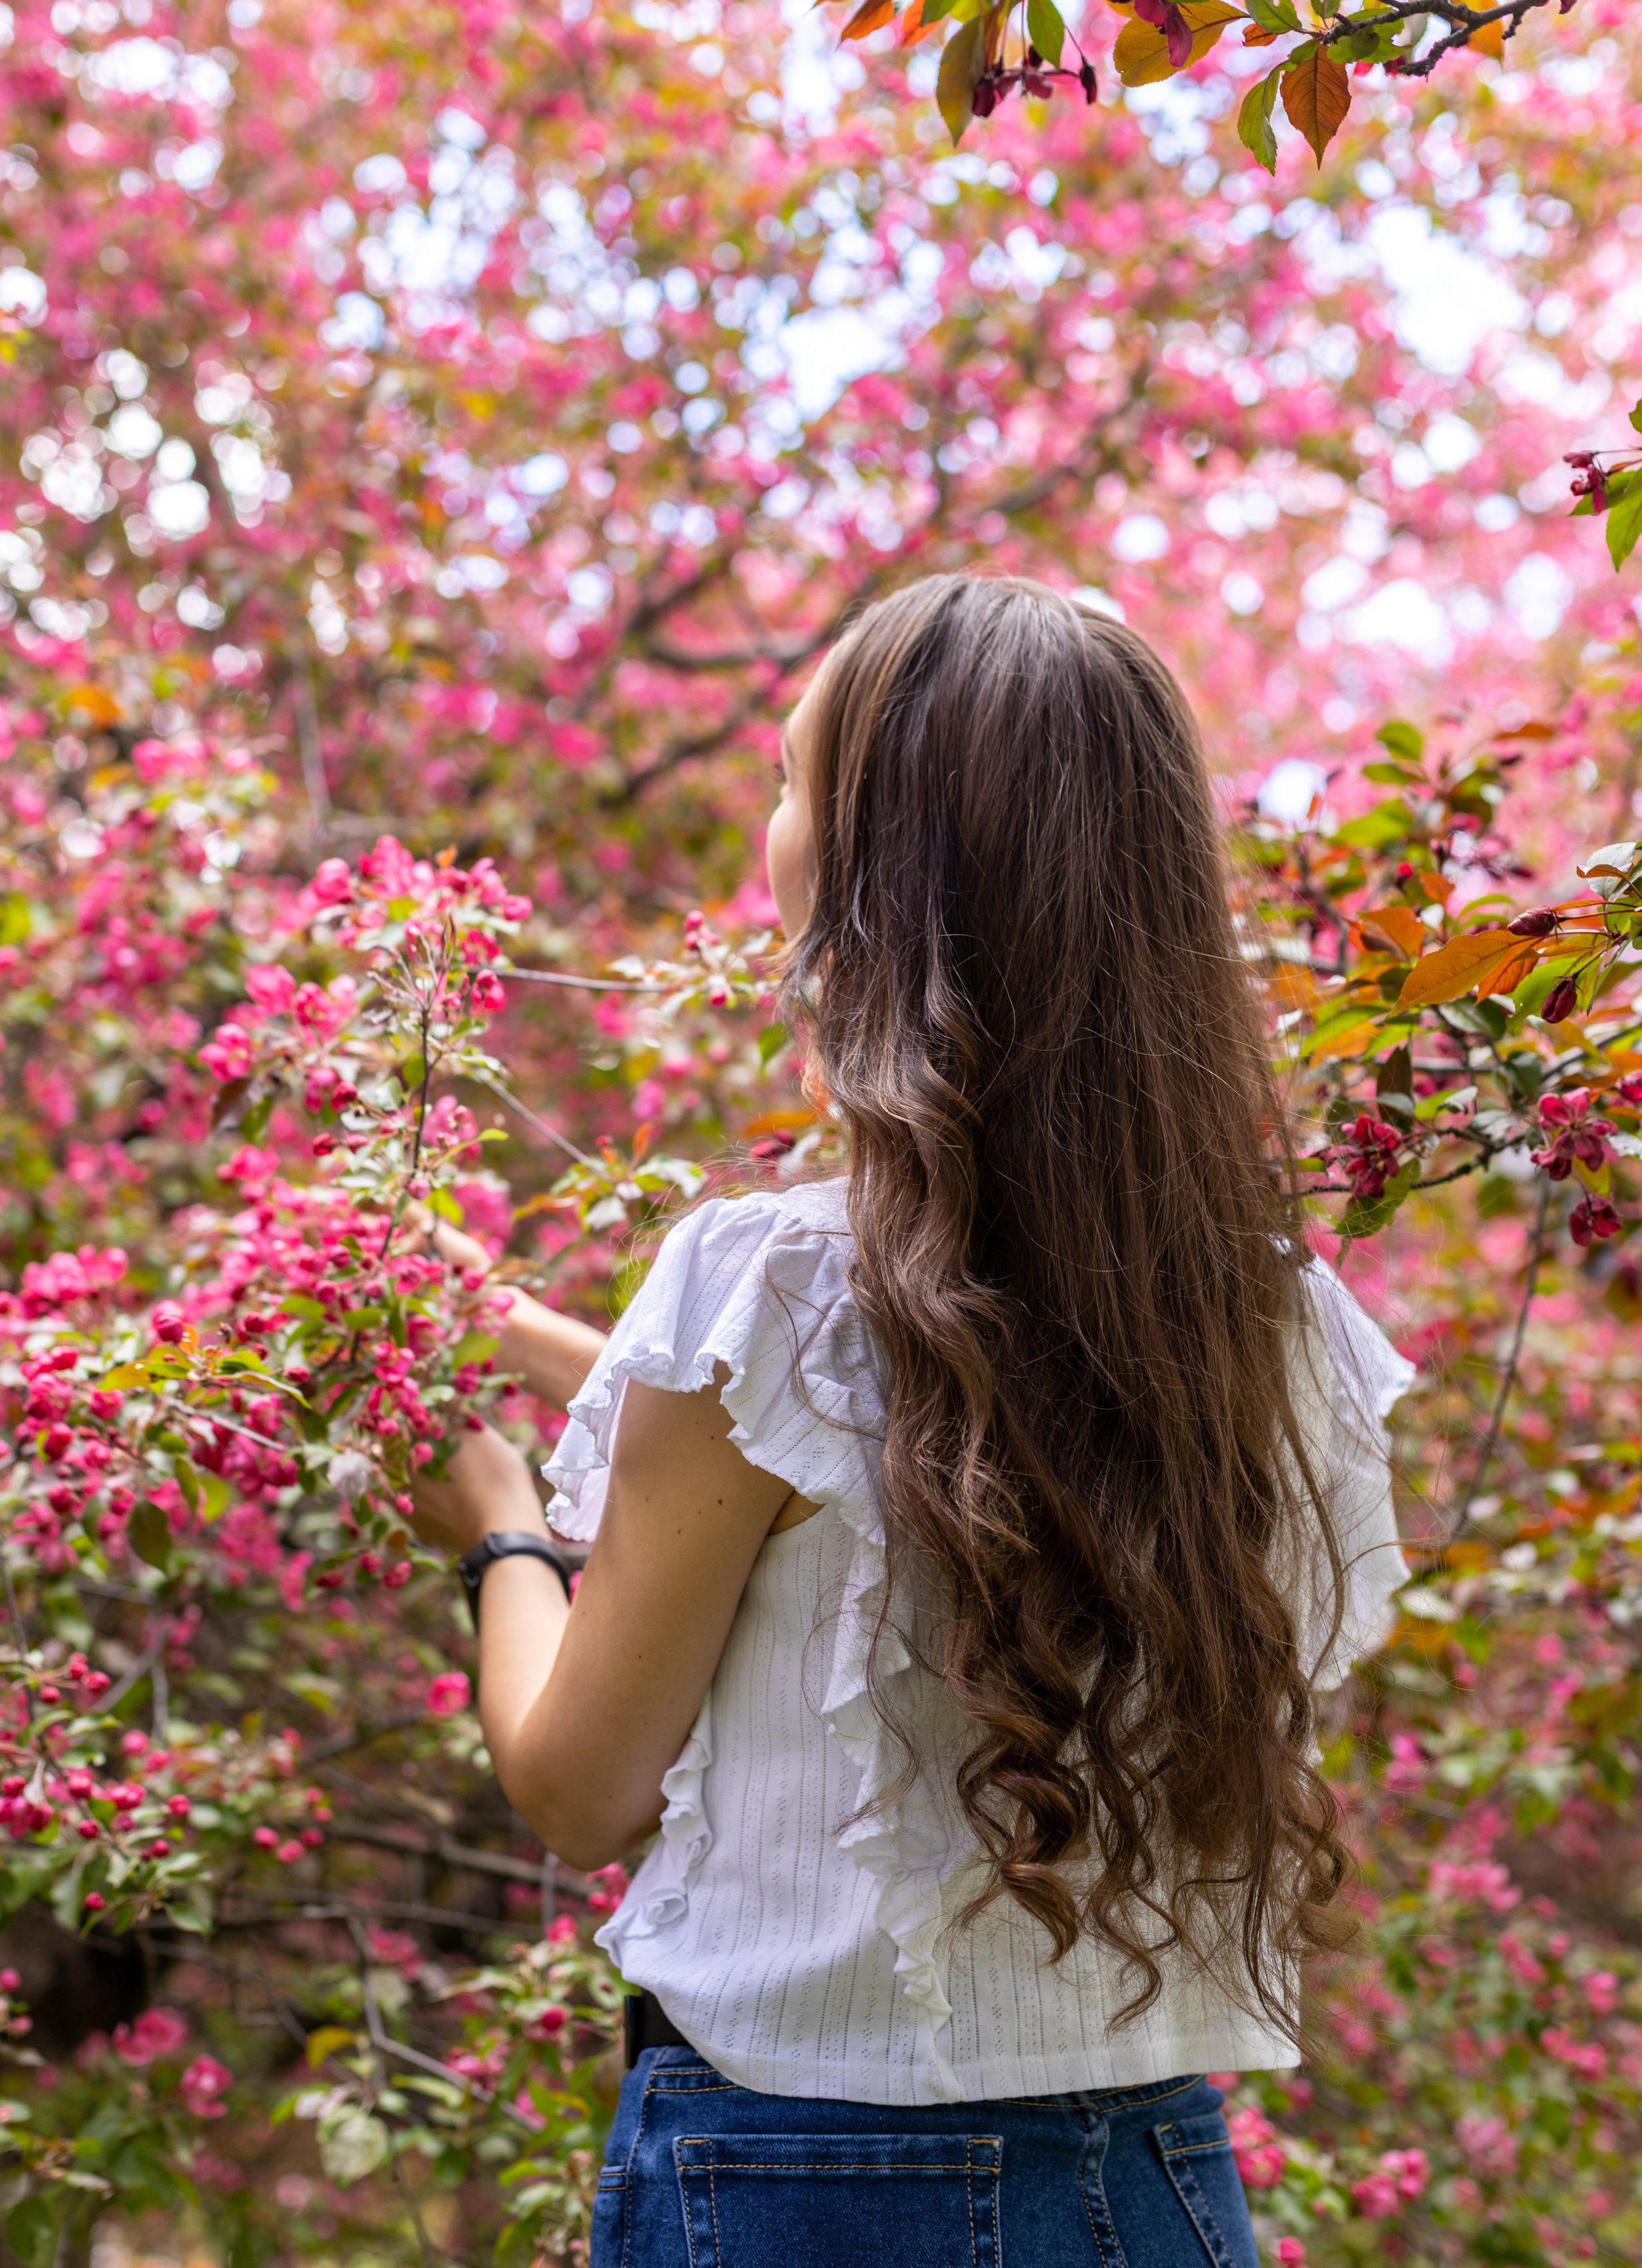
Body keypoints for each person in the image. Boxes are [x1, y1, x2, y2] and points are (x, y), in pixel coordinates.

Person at [409, 574, 1413, 2268]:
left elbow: (580, 1790)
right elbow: (901, 1459)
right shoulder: (1260, 1312)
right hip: (1161, 2187)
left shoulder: (763, 1284)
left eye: (794, 782)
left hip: (803, 2188)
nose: (772, 824)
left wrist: (499, 1526)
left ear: (887, 866)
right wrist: (516, 1331)